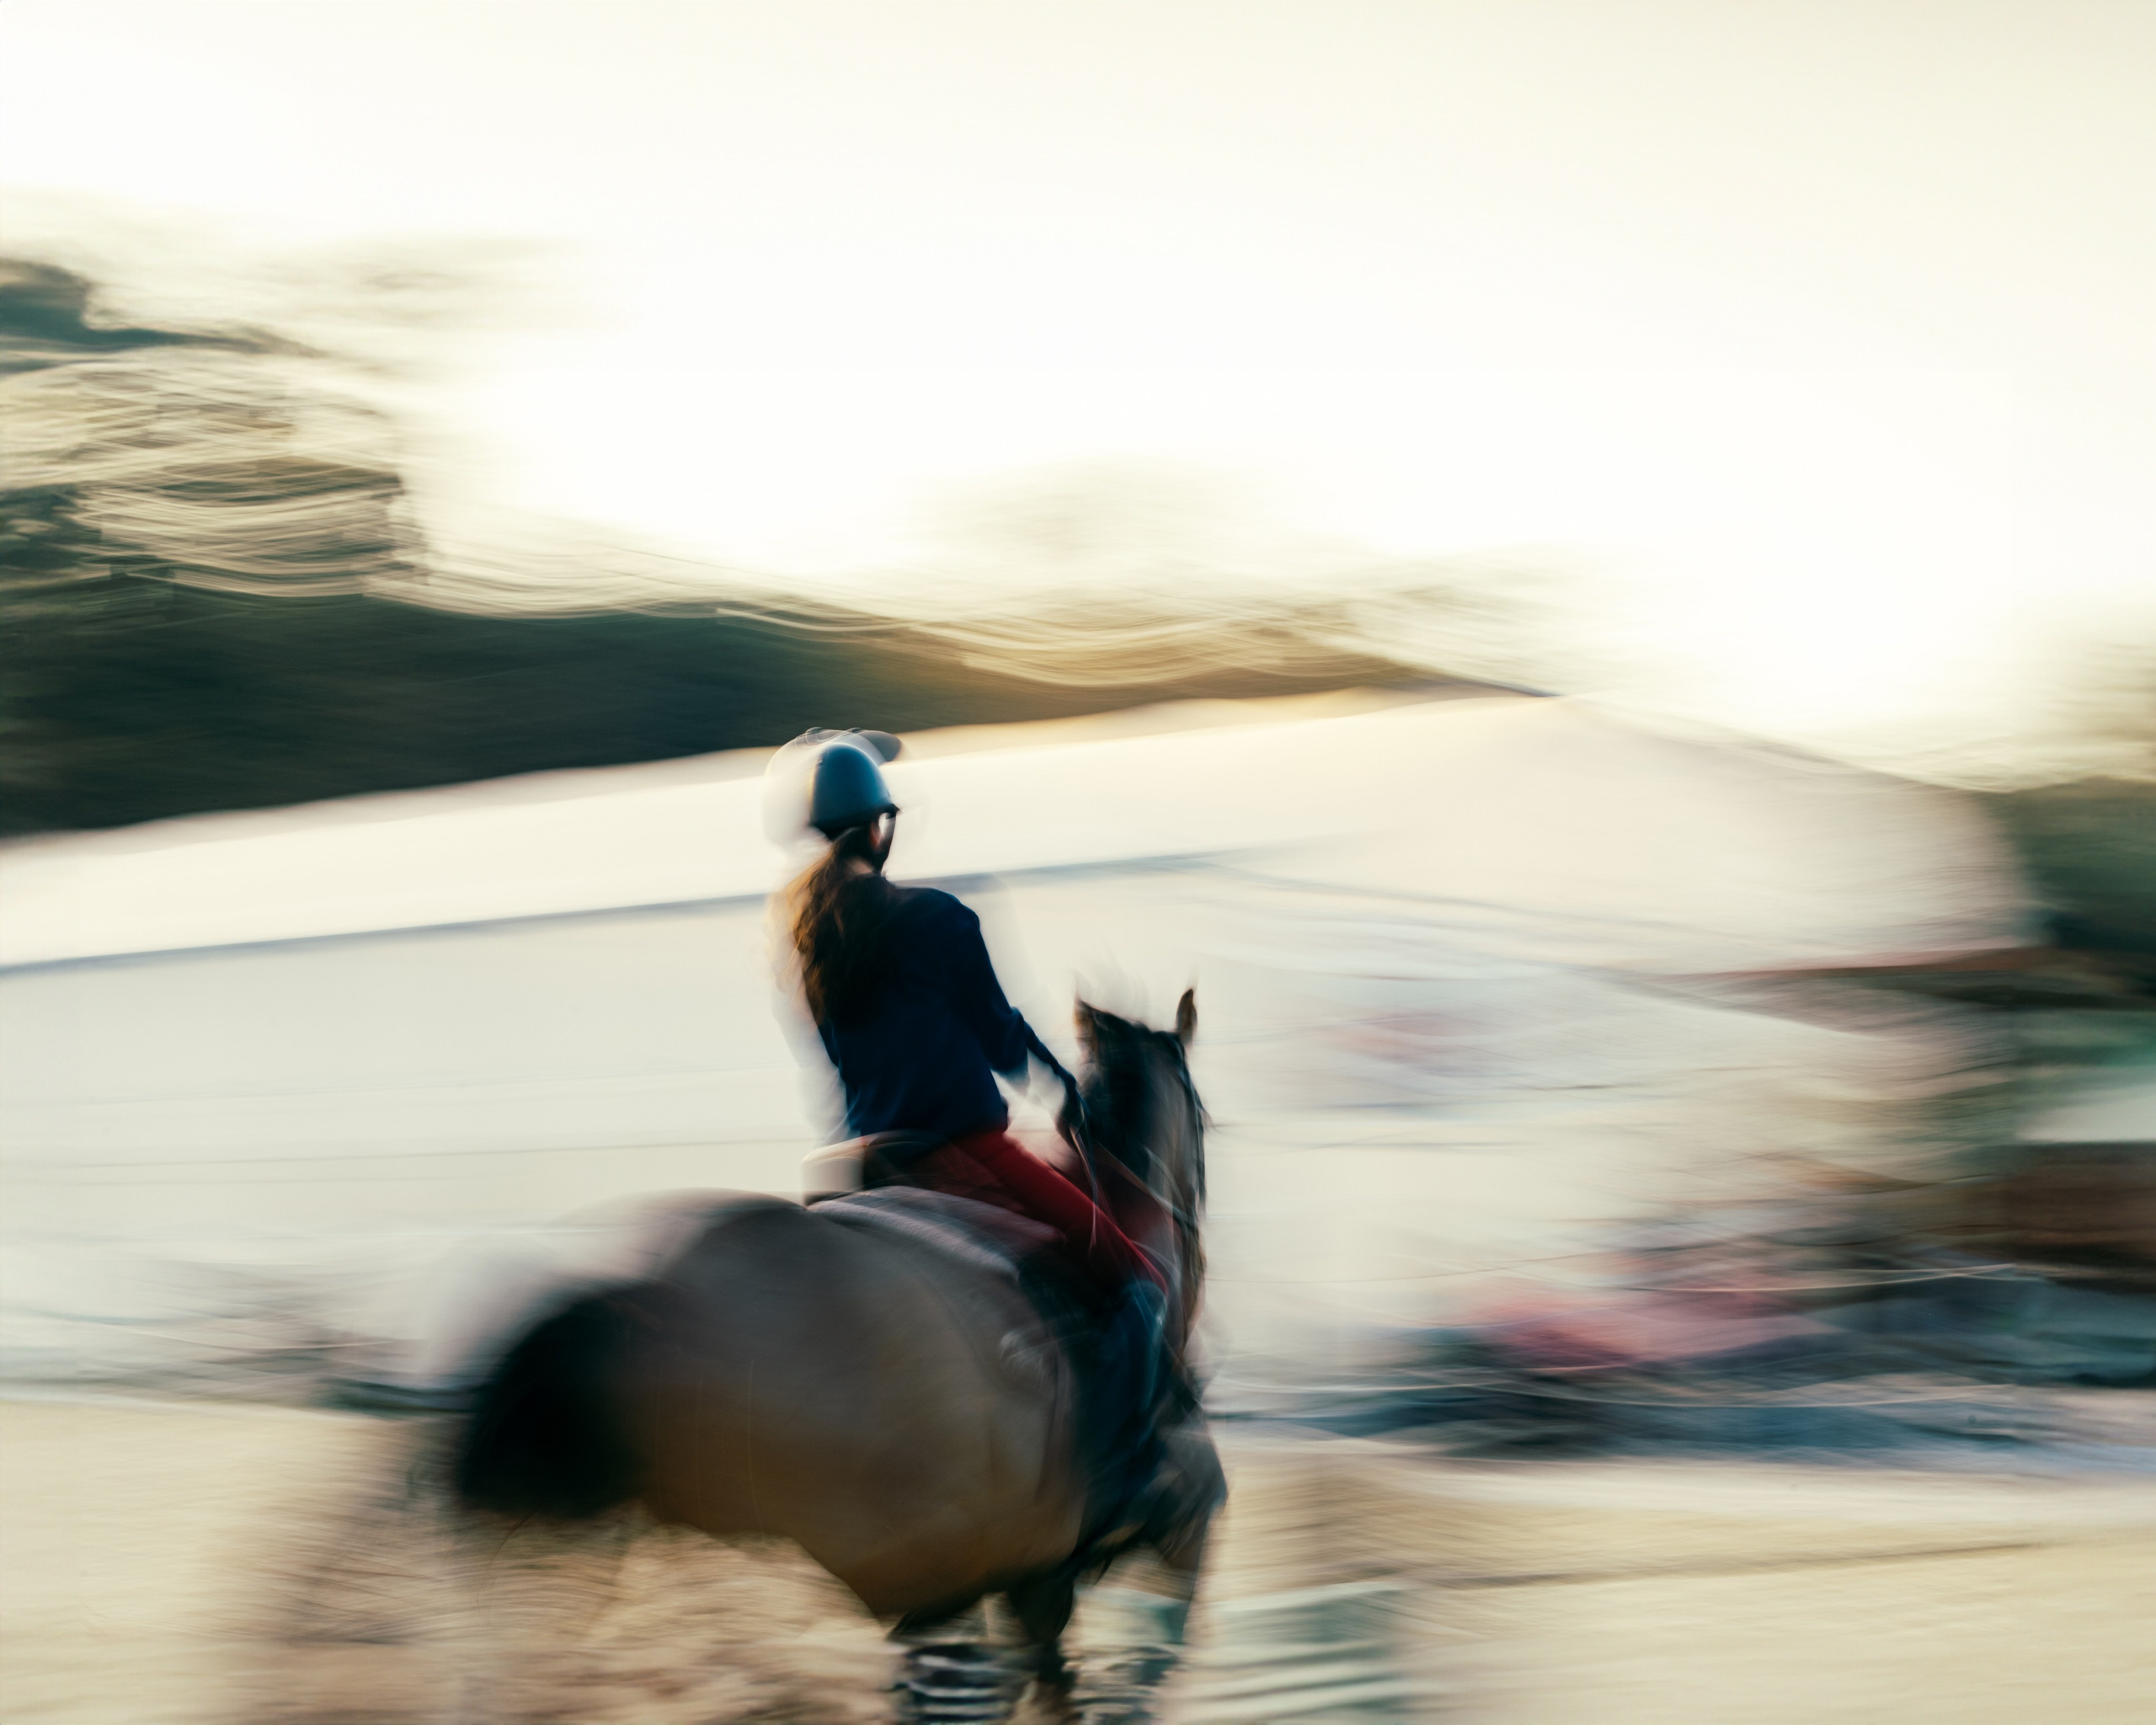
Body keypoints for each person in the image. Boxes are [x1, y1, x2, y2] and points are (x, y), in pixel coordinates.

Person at [775, 731, 1163, 1302]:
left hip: (864, 1163)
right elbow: (1000, 1036)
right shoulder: (937, 917)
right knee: (1131, 1272)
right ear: (882, 828)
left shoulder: (808, 943)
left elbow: (835, 1061)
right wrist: (1065, 1093)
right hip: (958, 1149)